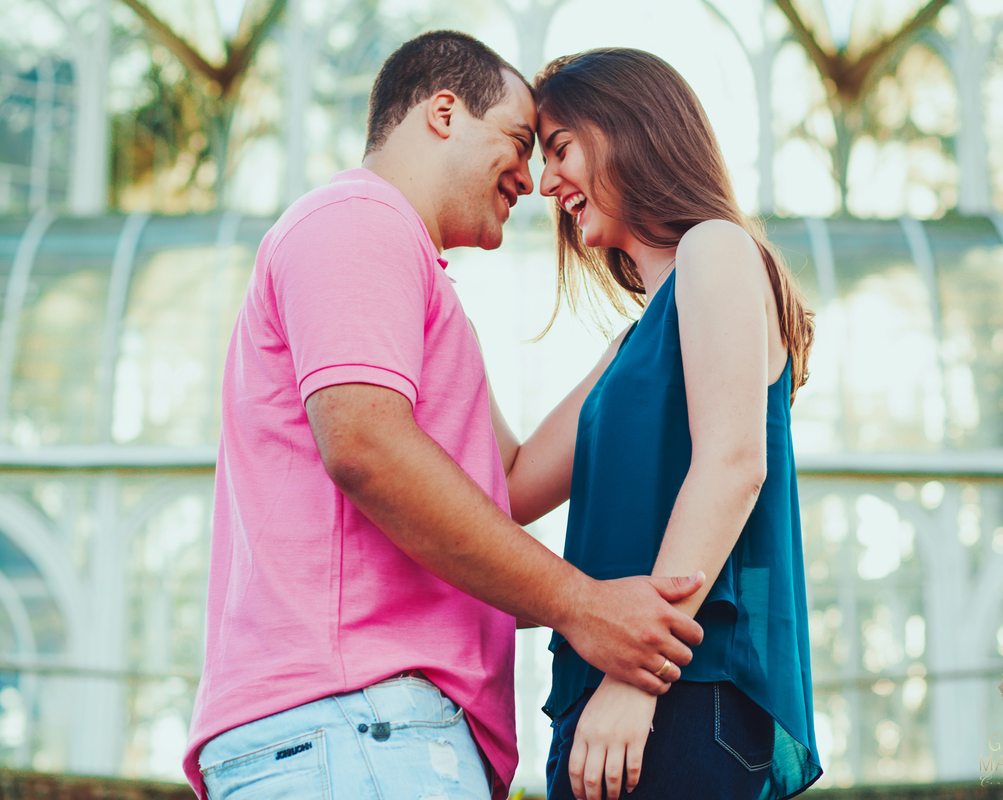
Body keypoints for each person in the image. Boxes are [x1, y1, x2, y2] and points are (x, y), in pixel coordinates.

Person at [184, 32, 709, 800]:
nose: (531, 181)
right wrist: (582, 605)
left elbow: (510, 480)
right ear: (443, 113)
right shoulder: (359, 221)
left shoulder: (412, 275)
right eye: (522, 142)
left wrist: (647, 339)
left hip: (367, 733)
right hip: (355, 724)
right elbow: (364, 444)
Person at [490, 48, 824, 799]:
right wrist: (430, 293)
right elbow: (509, 488)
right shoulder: (634, 339)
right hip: (605, 704)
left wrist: (633, 683)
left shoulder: (716, 247)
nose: (546, 184)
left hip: (669, 695)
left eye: (561, 149)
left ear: (628, 129)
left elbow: (734, 465)